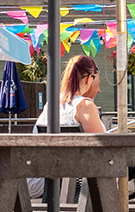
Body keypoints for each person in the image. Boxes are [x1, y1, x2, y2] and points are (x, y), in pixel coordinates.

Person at [28, 54, 107, 202]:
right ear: (89, 78)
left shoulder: (51, 104)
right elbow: (101, 149)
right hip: (69, 181)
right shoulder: (84, 105)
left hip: (40, 178)